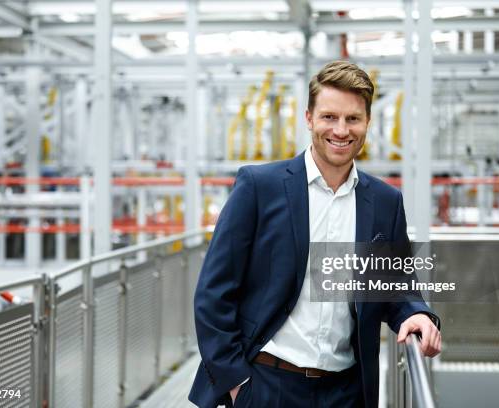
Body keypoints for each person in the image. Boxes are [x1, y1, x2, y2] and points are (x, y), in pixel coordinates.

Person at [189, 60, 441, 408]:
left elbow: (394, 285)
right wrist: (238, 385)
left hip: (347, 391)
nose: (341, 130)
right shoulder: (260, 188)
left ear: (367, 122)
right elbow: (213, 293)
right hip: (266, 385)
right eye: (329, 117)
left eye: (353, 118)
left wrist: (415, 313)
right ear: (309, 118)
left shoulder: (385, 202)